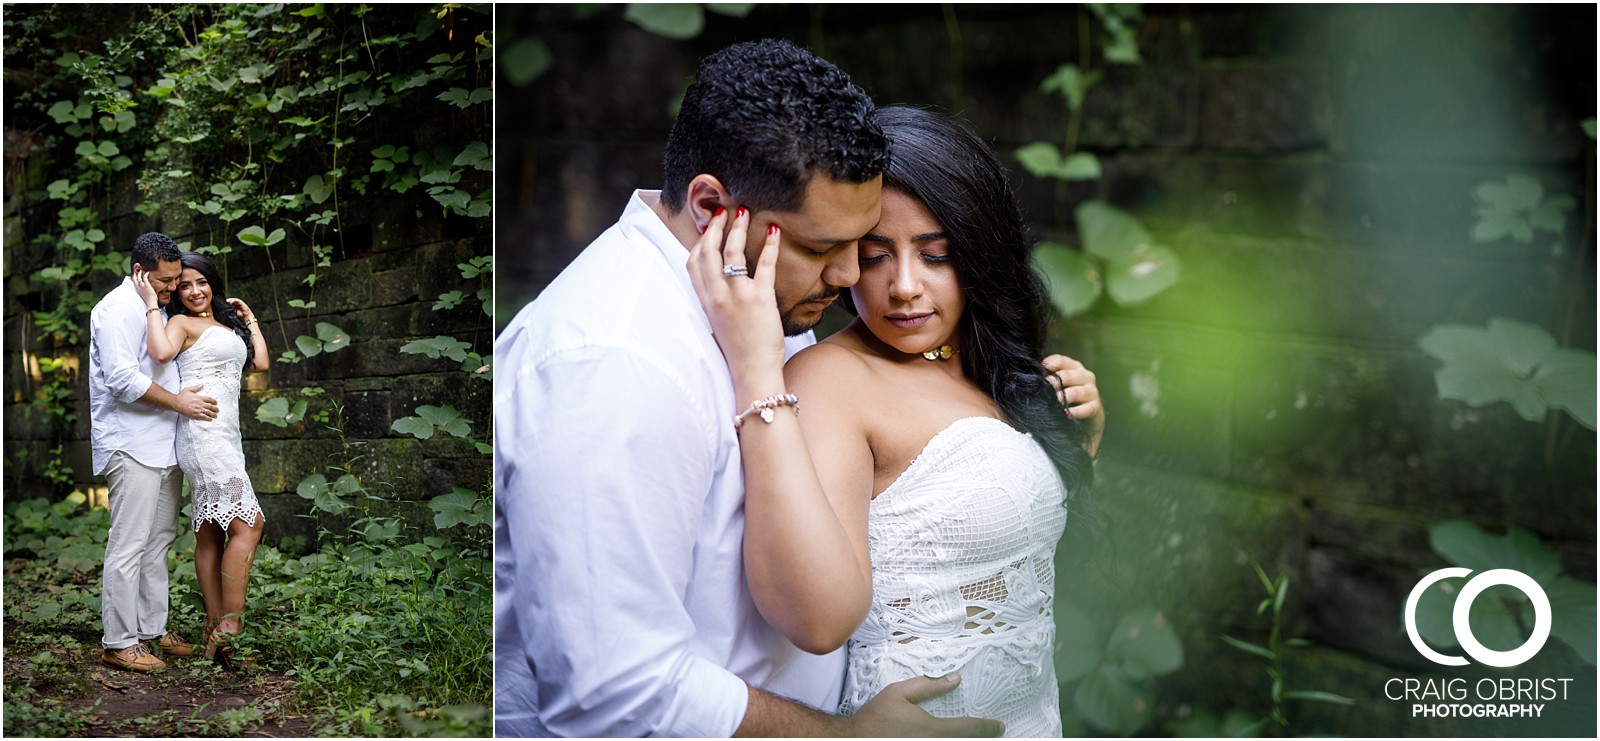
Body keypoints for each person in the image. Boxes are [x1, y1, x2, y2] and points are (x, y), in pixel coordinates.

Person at [496, 39, 1009, 736]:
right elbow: (615, 694)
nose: (851, 278)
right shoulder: (611, 363)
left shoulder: (759, 298)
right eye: (821, 248)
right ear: (710, 205)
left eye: (858, 244)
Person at [687, 106, 1104, 736]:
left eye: (935, 256)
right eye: (876, 256)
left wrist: (1077, 447)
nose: (904, 287)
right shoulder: (831, 381)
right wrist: (759, 369)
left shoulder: (980, 365)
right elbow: (820, 619)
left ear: (980, 251)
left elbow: (1012, 562)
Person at [89, 232, 218, 672]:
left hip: (166, 445)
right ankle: (118, 642)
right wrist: (180, 401)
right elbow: (122, 381)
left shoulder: (159, 309)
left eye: (176, 279)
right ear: (140, 272)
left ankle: (150, 630)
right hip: (130, 443)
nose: (172, 288)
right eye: (165, 281)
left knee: (158, 543)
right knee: (129, 545)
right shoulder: (113, 310)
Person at [135, 251, 269, 666]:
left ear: (213, 284)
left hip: (225, 434)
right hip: (203, 431)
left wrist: (250, 322)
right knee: (250, 523)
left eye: (202, 283)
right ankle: (231, 628)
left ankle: (215, 630)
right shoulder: (178, 322)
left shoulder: (222, 323)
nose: (194, 291)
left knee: (211, 530)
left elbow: (260, 362)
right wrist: (153, 307)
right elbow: (159, 353)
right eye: (186, 284)